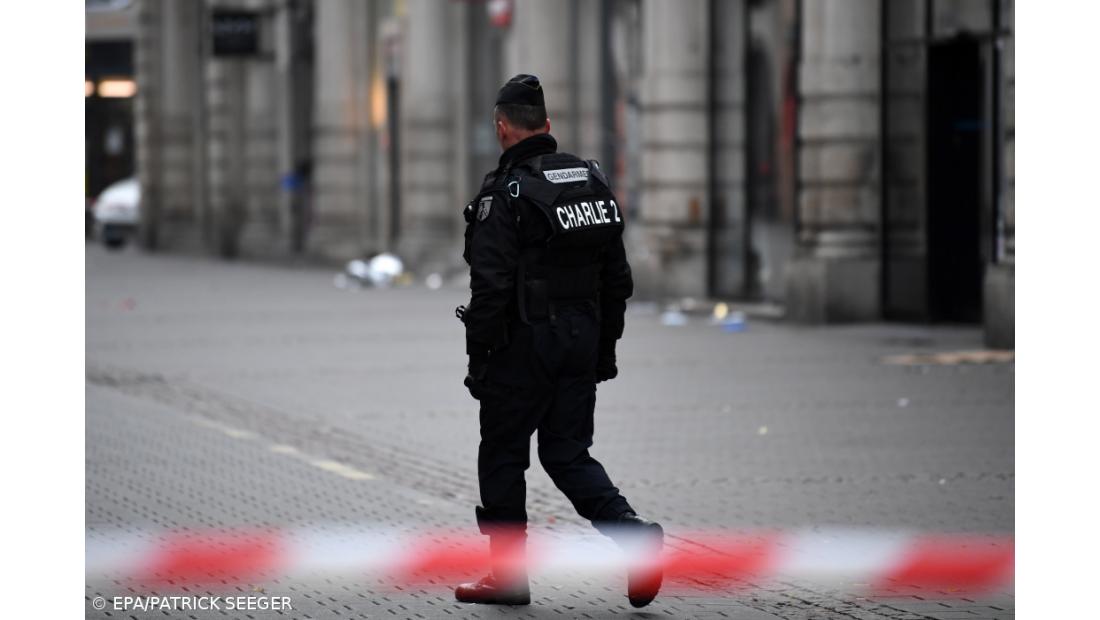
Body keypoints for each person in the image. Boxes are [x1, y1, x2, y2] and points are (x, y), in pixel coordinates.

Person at [455, 74, 663, 608]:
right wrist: (603, 350)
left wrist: (480, 362)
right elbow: (618, 280)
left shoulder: (504, 194)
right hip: (580, 342)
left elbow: (491, 289)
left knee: (503, 456)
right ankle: (632, 536)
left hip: (521, 348)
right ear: (546, 126)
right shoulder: (590, 181)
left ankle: (507, 577)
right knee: (567, 453)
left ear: (502, 129)